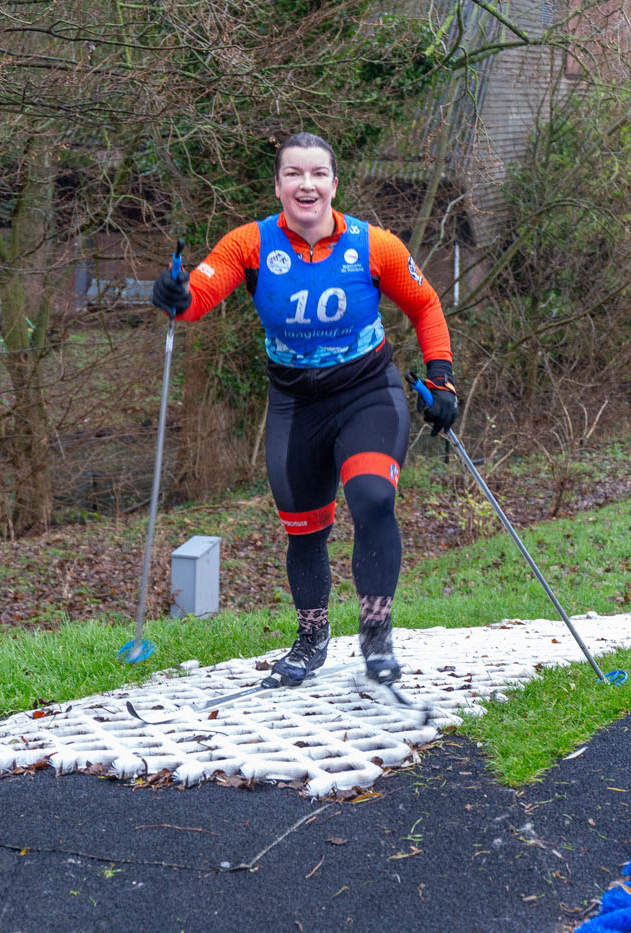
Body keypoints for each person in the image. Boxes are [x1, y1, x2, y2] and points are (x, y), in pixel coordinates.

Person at [150, 132, 457, 687]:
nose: (306, 185)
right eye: (294, 174)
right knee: (305, 528)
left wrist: (443, 380)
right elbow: (198, 295)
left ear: (334, 185)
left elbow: (425, 304)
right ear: (278, 186)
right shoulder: (249, 245)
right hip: (295, 404)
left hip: (367, 392)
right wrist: (176, 294)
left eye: (317, 174)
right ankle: (313, 637)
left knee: (373, 496)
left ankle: (375, 636)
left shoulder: (374, 246)